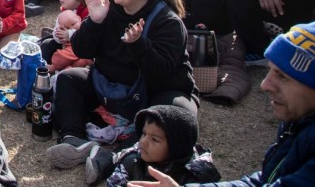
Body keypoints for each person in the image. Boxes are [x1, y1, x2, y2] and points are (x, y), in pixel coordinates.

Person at [46, 0, 197, 171]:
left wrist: (138, 45)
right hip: (109, 85)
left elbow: (160, 73)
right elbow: (82, 50)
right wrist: (95, 21)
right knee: (68, 79)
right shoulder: (108, 5)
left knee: (175, 115)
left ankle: (113, 156)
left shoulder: (167, 22)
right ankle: (74, 139)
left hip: (153, 90)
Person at [126, 20, 315, 187]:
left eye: (282, 76)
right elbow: (265, 180)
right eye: (270, 71)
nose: (265, 85)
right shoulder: (299, 120)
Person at [86, 105, 220, 186]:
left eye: (155, 139)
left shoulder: (198, 173)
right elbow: (115, 183)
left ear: (176, 146)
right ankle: (103, 159)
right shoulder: (131, 160)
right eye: (144, 134)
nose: (143, 141)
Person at [39, 0, 93, 73]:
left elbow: (90, 35)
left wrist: (71, 35)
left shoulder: (89, 11)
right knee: (47, 44)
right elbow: (58, 33)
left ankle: (56, 70)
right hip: (67, 46)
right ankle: (42, 71)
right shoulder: (66, 11)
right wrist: (58, 35)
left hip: (82, 50)